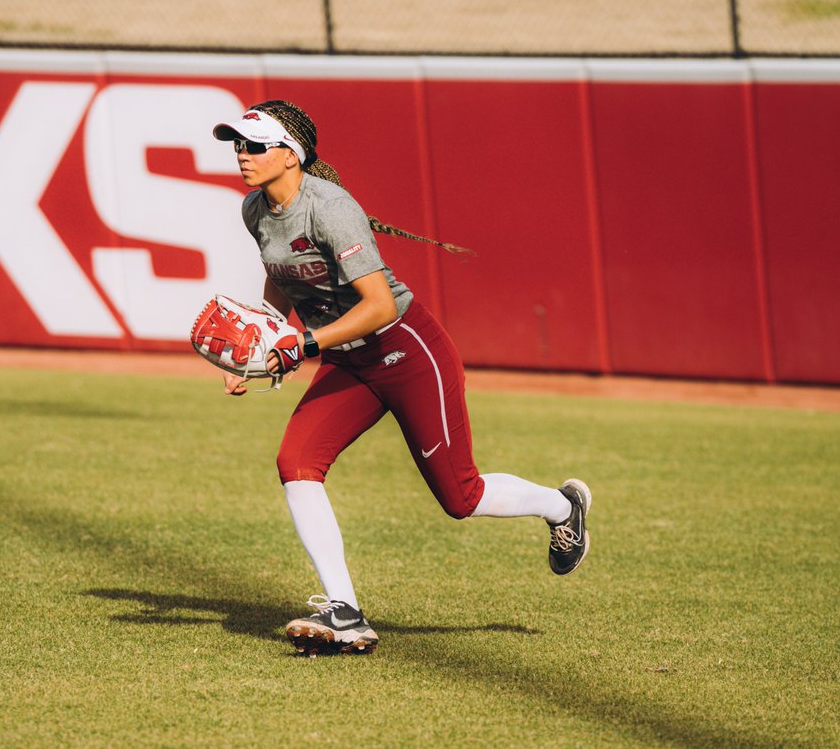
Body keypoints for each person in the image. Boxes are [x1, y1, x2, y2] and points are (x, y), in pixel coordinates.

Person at [211, 100, 591, 656]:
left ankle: (562, 507)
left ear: (290, 156)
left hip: (406, 350)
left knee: (461, 496)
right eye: (236, 145)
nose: (242, 156)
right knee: (296, 463)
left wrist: (307, 343)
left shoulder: (331, 209)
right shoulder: (255, 209)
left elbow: (381, 305)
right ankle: (345, 611)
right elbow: (281, 277)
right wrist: (261, 342)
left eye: (254, 145)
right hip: (350, 362)